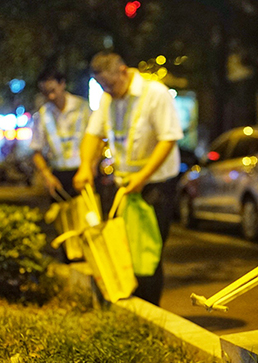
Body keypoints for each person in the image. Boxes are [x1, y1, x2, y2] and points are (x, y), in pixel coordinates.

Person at [73, 52, 183, 306]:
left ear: (123, 71)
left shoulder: (155, 94)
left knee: (148, 251)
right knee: (121, 248)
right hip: (124, 186)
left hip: (154, 186)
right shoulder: (108, 99)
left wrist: (143, 178)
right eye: (102, 86)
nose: (107, 91)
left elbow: (169, 139)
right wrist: (85, 167)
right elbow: (93, 135)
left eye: (110, 84)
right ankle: (129, 302)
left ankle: (150, 308)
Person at [30, 67, 92, 198]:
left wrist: (92, 166)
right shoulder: (42, 114)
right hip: (58, 176)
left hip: (84, 172)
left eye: (53, 90)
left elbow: (97, 140)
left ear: (62, 84)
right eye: (46, 92)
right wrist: (47, 175)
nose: (51, 96)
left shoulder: (83, 107)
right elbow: (37, 152)